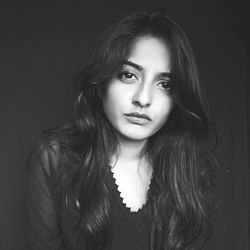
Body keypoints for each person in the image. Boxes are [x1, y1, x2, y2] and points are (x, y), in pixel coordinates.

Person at [26, 9, 216, 250]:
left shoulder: (188, 167)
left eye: (164, 84)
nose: (143, 99)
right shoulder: (54, 158)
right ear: (102, 81)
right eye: (128, 75)